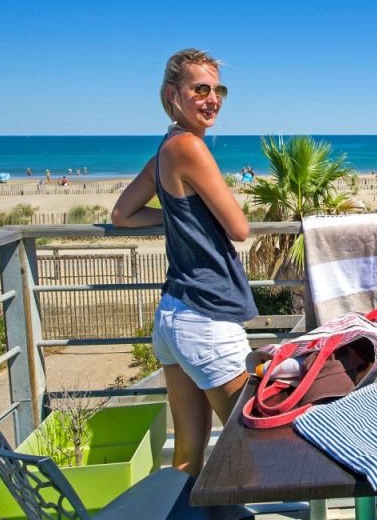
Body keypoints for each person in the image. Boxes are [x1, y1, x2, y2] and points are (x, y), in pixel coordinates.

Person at [111, 48, 256, 476]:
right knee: (255, 440)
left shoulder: (166, 148)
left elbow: (123, 214)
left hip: (173, 316)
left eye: (218, 90)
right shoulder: (190, 147)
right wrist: (184, 215)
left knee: (188, 455)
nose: (213, 99)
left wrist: (178, 215)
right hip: (205, 319)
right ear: (173, 94)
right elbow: (240, 227)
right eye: (201, 89)